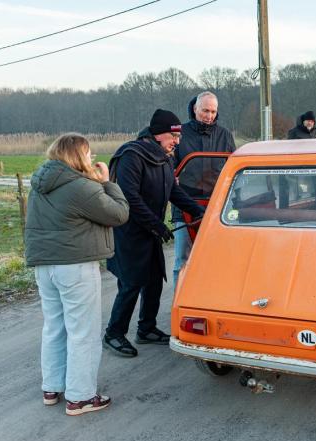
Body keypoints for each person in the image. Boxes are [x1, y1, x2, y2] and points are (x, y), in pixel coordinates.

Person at [25, 133, 129, 416]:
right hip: (75, 266)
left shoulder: (40, 184)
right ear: (78, 156)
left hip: (44, 266)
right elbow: (119, 214)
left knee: (54, 326)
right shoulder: (80, 187)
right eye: (89, 153)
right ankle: (81, 397)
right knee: (83, 331)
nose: (92, 158)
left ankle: (52, 386)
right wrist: (107, 182)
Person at [104, 109, 205, 358]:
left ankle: (146, 328)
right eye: (174, 136)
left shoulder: (164, 158)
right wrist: (157, 225)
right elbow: (130, 198)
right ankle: (114, 333)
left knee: (153, 279)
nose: (177, 141)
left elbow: (173, 191)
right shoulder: (132, 156)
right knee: (130, 283)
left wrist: (202, 212)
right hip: (129, 231)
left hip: (150, 230)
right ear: (159, 134)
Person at [172, 91, 236, 288]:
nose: (209, 116)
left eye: (213, 111)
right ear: (195, 109)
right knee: (183, 258)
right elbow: (169, 167)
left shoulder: (225, 135)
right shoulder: (179, 133)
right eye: (205, 110)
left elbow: (234, 168)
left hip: (217, 204)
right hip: (185, 204)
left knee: (218, 257)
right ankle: (179, 302)